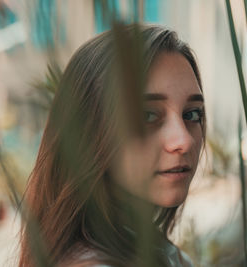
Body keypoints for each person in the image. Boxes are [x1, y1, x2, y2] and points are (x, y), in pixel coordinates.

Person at [18, 24, 206, 267]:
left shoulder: (161, 254)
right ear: (89, 130)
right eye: (147, 116)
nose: (184, 140)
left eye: (191, 114)